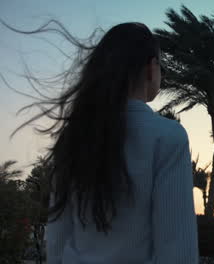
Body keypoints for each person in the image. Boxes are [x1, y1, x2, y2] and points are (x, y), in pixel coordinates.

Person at [8, 21, 199, 263]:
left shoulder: (73, 138)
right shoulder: (168, 136)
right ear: (151, 68)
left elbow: (57, 239)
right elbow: (177, 250)